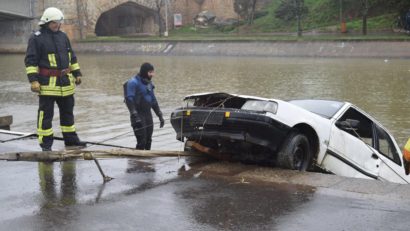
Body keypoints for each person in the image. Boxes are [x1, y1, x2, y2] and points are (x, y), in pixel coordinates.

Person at [24, 7, 86, 151]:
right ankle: (46, 144)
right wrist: (33, 80)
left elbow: (72, 57)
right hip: (47, 85)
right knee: (46, 116)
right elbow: (30, 61)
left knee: (68, 114)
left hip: (66, 83)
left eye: (58, 22)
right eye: (54, 23)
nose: (57, 25)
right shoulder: (36, 38)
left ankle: (71, 140)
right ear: (46, 22)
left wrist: (77, 73)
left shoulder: (63, 36)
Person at [124, 63, 165, 150]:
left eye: (153, 72)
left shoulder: (149, 84)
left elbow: (153, 101)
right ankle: (138, 162)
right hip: (137, 115)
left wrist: (160, 115)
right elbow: (129, 99)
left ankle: (147, 162)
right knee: (142, 141)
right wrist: (134, 115)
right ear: (144, 72)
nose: (152, 74)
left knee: (148, 140)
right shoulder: (133, 82)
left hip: (147, 114)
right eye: (150, 72)